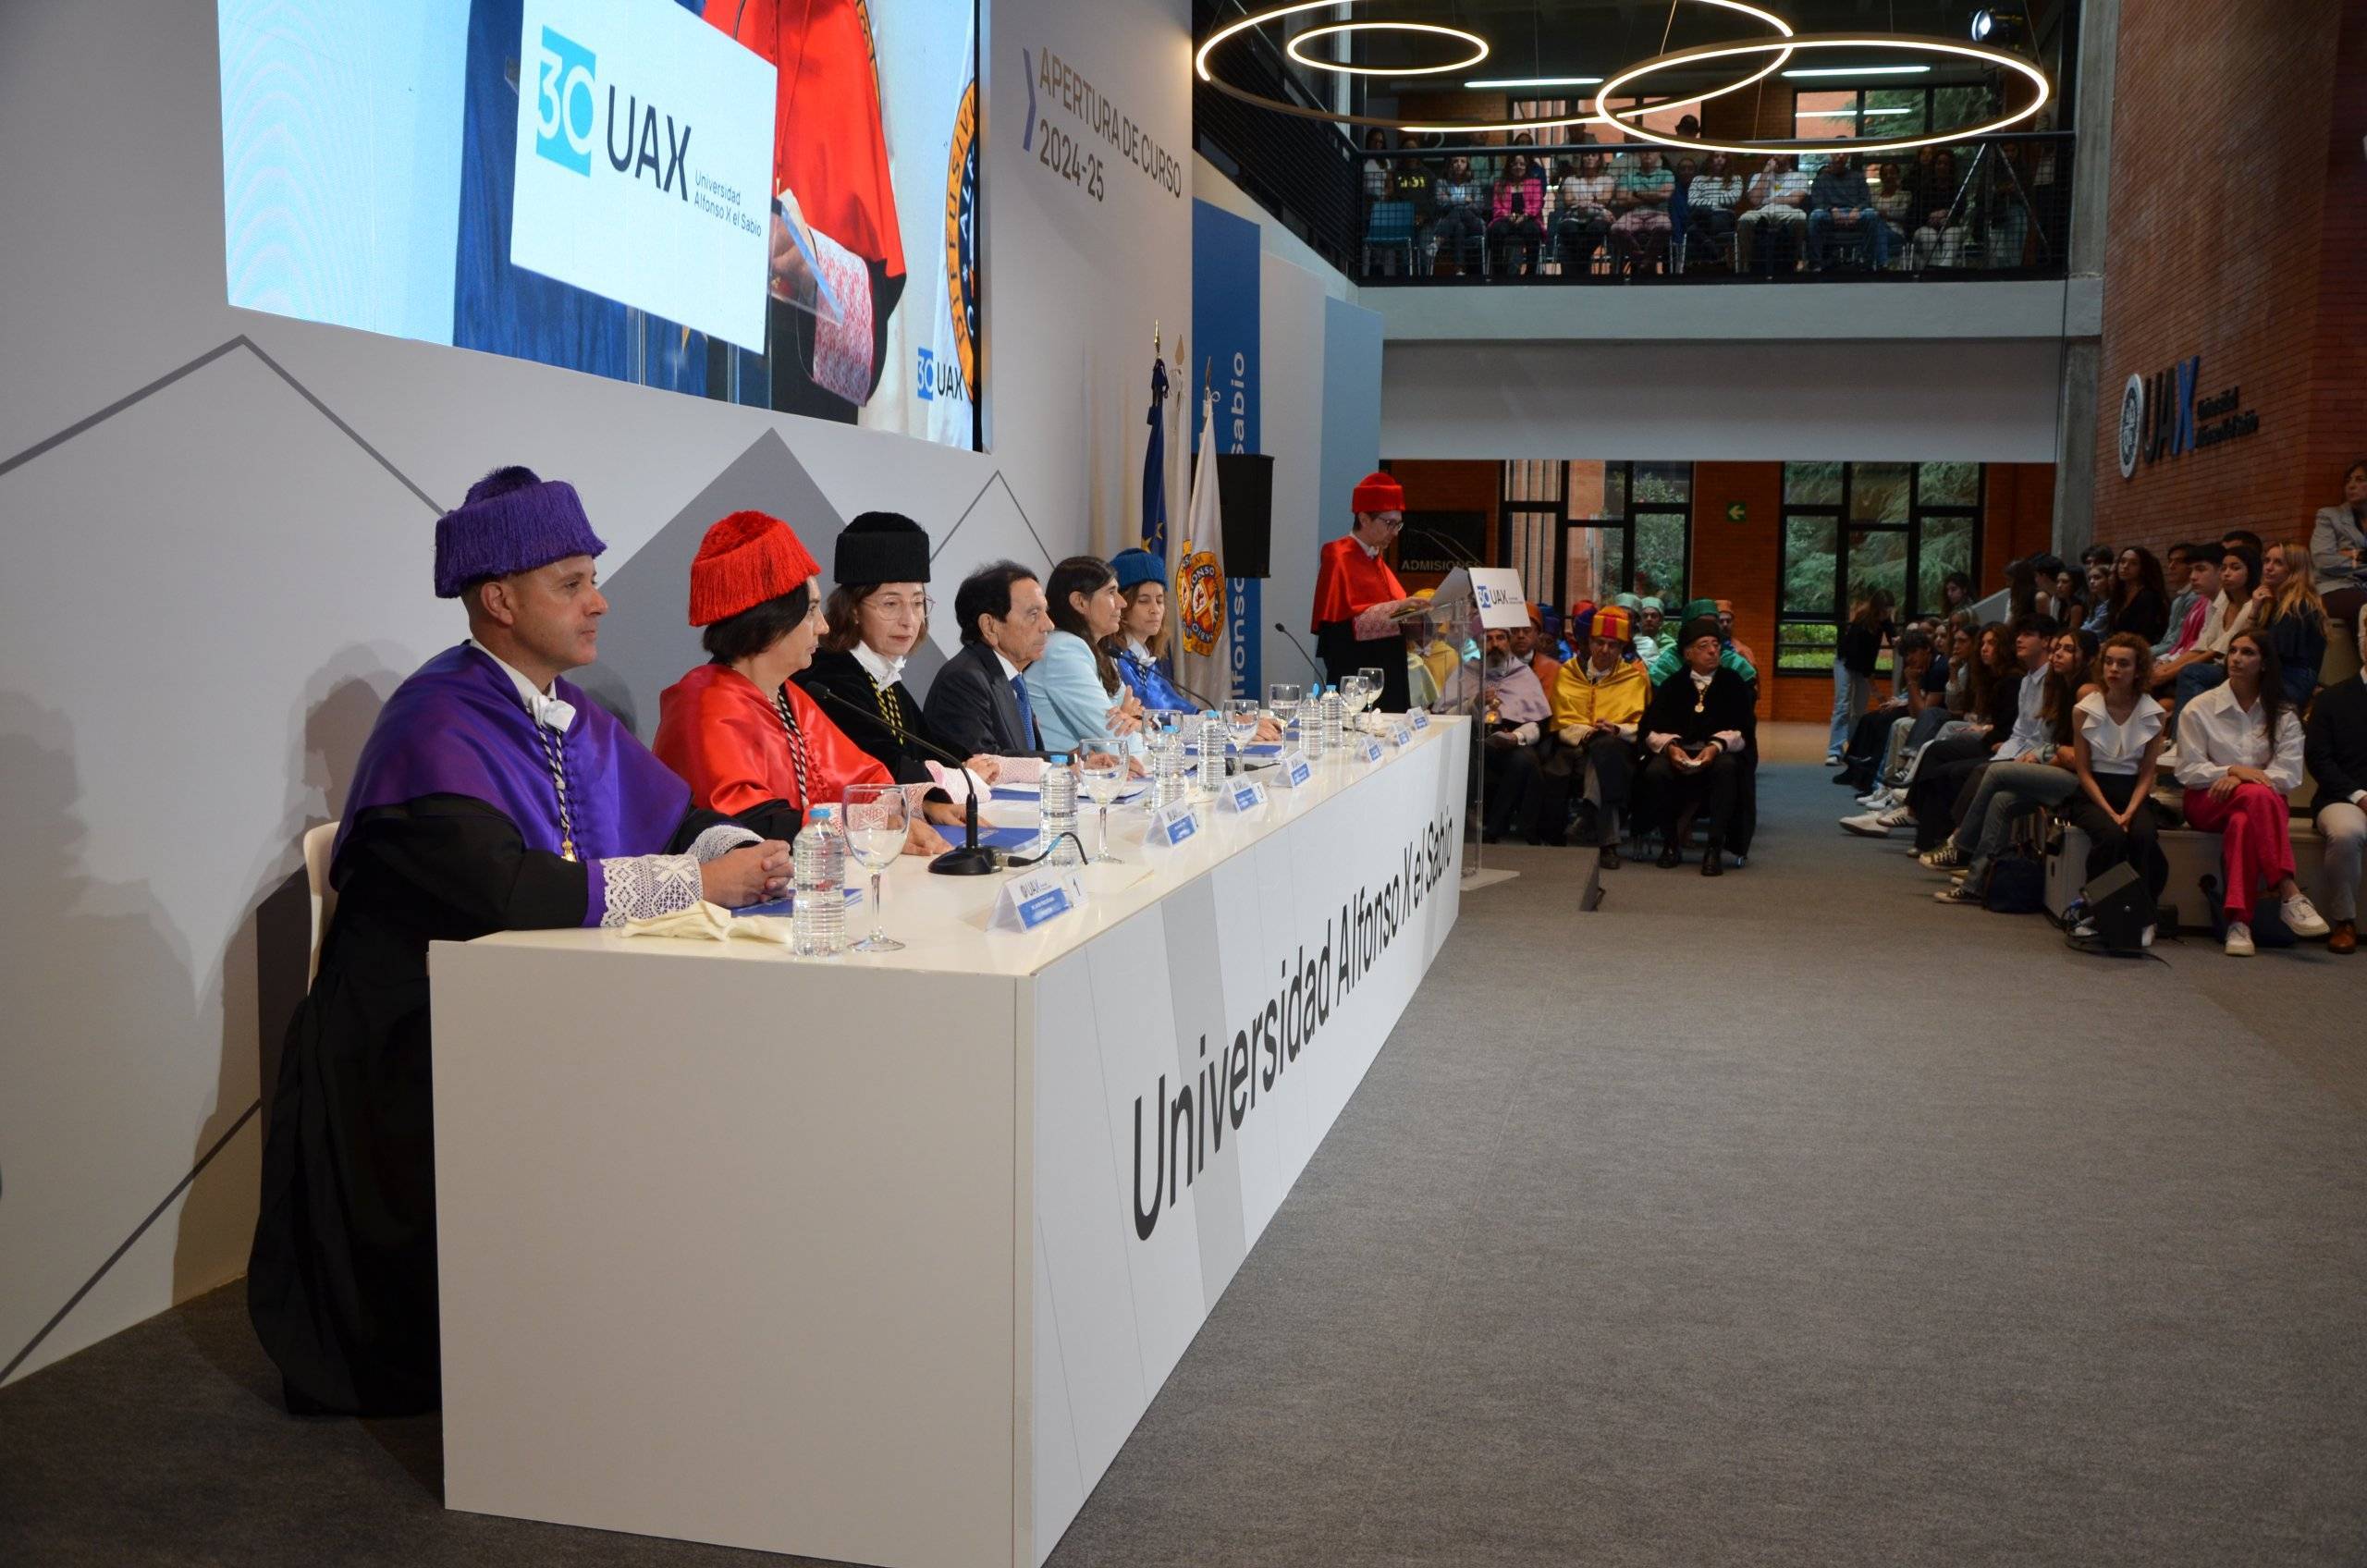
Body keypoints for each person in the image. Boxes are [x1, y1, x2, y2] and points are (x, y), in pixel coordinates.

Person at [248, 467, 790, 1417]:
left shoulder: (565, 709)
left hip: (534, 1013)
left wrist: (745, 849)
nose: (600, 601)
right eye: (573, 582)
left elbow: (675, 818)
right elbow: (504, 890)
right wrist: (697, 883)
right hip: (411, 1043)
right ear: (499, 599)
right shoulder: (437, 718)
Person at [654, 511, 954, 853]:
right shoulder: (703, 705)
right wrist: (864, 825)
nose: (824, 626)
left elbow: (863, 780)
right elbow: (750, 824)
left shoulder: (789, 697)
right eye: (811, 610)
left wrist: (909, 807)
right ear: (769, 622)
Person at [705, 0, 907, 423]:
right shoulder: (726, 12)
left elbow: (869, 291)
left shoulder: (835, 31)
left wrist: (812, 259)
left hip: (802, 381)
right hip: (718, 346)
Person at [793, 511, 1006, 790]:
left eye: (917, 603)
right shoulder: (830, 677)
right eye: (891, 604)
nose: (909, 620)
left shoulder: (883, 675)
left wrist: (996, 766)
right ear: (853, 610)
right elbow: (883, 769)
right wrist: (962, 775)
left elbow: (934, 748)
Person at [2174, 630, 2331, 955]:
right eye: (2232, 651)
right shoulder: (2199, 708)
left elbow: (2289, 775)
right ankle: (2286, 888)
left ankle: (2238, 923)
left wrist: (2244, 779)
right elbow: (2187, 771)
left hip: (2260, 805)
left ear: (2264, 663)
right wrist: (2230, 771)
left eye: (2248, 653)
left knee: (2243, 823)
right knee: (2258, 797)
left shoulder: (2284, 713)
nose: (2236, 659)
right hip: (2206, 801)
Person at [1927, 629, 2086, 900]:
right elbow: (2049, 741)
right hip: (2054, 769)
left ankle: (1961, 844)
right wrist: (2049, 753)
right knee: (2001, 799)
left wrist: (2044, 754)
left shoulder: (2085, 691)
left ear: (2086, 658)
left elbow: (2079, 755)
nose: (2058, 654)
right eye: (2057, 647)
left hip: (2081, 780)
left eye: (2068, 650)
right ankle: (1975, 884)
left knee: (1996, 772)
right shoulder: (2060, 685)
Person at [2061, 633, 2170, 936]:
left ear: (2138, 670)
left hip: (2134, 792)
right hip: (2094, 793)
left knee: (2144, 836)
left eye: (2123, 664)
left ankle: (2143, 914)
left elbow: (2147, 772)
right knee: (2111, 837)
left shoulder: (2154, 713)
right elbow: (2083, 770)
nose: (2114, 669)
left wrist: (2130, 812)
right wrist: (2111, 813)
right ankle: (2096, 911)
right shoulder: (2084, 710)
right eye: (2109, 662)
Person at [1640, 616, 1755, 875]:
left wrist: (1715, 747)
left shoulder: (1733, 684)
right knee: (1655, 772)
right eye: (1704, 646)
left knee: (1727, 769)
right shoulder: (1673, 685)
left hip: (1719, 752)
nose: (1713, 650)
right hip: (1678, 751)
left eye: (1716, 644)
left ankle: (1713, 848)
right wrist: (1671, 748)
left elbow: (1744, 730)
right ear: (1688, 653)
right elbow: (1650, 729)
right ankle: (1670, 843)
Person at [1311, 472, 1424, 711]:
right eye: (1389, 523)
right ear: (1363, 519)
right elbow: (1340, 624)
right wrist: (1399, 608)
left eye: (1399, 524)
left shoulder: (1377, 558)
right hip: (1356, 666)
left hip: (1389, 666)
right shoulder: (1338, 554)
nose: (1395, 532)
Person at [1550, 604, 1650, 867]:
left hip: (1618, 750)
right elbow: (1561, 721)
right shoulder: (1568, 673)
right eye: (1600, 643)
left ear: (1622, 649)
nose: (1605, 650)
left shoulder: (1633, 679)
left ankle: (1592, 818)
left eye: (1613, 645)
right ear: (1589, 643)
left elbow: (1642, 726)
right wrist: (1588, 733)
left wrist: (1616, 729)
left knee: (1605, 750)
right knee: (1601, 751)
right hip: (1575, 749)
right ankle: (1606, 842)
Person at [926, 560, 1053, 758]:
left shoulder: (1009, 677)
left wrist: (1075, 760)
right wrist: (1065, 763)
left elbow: (1020, 756)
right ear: (990, 626)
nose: (1049, 625)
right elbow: (988, 764)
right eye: (1033, 614)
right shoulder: (963, 681)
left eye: (1046, 611)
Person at [1028, 556, 1147, 754]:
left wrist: (1134, 722)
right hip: (1059, 778)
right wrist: (1133, 725)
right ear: (1080, 602)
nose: (1122, 603)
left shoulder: (1100, 650)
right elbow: (1114, 740)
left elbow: (1127, 725)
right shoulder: (1063, 650)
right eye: (1111, 593)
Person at [2302, 610, 2367, 954]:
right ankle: (2345, 921)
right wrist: (2359, 796)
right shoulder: (2332, 699)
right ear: (2363, 644)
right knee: (2346, 833)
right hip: (2342, 796)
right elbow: (2318, 759)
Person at [1480, 629, 1553, 842]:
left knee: (1523, 760)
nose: (1494, 644)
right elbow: (1448, 712)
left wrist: (1516, 737)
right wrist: (1475, 703)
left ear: (1508, 641)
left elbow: (1538, 721)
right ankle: (1526, 829)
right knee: (1529, 762)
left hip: (1511, 739)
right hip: (1474, 738)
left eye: (1500, 638)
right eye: (1488, 639)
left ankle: (1494, 828)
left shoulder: (1523, 673)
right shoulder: (1468, 672)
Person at [2174, 545, 2262, 704]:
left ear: (2251, 571)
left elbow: (2218, 651)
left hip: (2232, 667)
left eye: (2235, 568)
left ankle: (2196, 725)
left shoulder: (2251, 605)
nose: (2227, 574)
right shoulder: (2223, 602)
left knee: (2190, 673)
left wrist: (2169, 673)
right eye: (2224, 568)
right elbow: (2203, 645)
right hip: (2215, 665)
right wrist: (2166, 669)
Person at [2255, 541, 2329, 704]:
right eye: (2266, 561)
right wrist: (2254, 611)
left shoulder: (2300, 605)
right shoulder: (2270, 602)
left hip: (2293, 677)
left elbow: (2273, 652)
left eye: (2278, 563)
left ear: (2295, 569)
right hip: (2275, 672)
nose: (2268, 567)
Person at [1827, 587, 1893, 766]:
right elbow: (1862, 659)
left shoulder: (1884, 620)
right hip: (1846, 661)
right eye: (1884, 609)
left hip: (1862, 665)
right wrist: (1876, 690)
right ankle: (1834, 751)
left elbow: (1893, 637)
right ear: (1876, 608)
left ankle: (1854, 749)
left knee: (1860, 709)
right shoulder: (1862, 622)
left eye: (1889, 610)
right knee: (1843, 704)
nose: (1887, 614)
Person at [2308, 458, 2367, 634]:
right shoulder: (2329, 516)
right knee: (2363, 608)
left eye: (2360, 480)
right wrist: (2362, 558)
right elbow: (2324, 560)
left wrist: (2351, 554)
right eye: (2348, 481)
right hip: (2336, 586)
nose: (2351, 485)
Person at [1807, 145, 1890, 271]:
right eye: (1838, 152)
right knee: (1815, 216)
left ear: (1848, 156)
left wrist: (1857, 210)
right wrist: (1832, 209)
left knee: (1872, 214)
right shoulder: (1820, 179)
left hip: (1855, 214)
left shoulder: (1858, 177)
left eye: (1844, 153)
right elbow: (1817, 202)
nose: (1840, 156)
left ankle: (1868, 262)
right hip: (1830, 216)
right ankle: (1816, 263)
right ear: (1831, 154)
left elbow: (1866, 200)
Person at [1648, 596, 1757, 686]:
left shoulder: (1733, 662)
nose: (1707, 630)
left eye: (1713, 624)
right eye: (1701, 624)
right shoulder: (1668, 663)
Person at [1737, 154, 1809, 274]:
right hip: (1762, 210)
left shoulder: (1800, 176)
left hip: (1788, 210)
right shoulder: (1758, 176)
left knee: (1800, 217)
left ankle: (1796, 258)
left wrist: (1774, 199)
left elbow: (1796, 200)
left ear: (1789, 156)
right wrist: (1766, 172)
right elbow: (1755, 201)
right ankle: (1749, 262)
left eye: (1779, 153)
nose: (1775, 156)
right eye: (1773, 153)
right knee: (1745, 219)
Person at [1608, 149, 1675, 274]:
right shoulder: (1628, 175)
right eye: (1644, 151)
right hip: (1633, 214)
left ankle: (1645, 259)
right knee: (1616, 229)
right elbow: (1622, 200)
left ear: (1659, 154)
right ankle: (1640, 257)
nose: (1648, 154)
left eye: (1652, 151)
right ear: (1639, 154)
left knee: (1665, 227)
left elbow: (1664, 195)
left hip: (1659, 214)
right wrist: (1652, 198)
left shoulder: (1667, 174)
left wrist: (1636, 194)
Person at [1553, 150, 1616, 274]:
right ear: (1582, 159)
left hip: (1598, 217)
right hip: (1574, 216)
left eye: (1593, 155)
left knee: (1596, 228)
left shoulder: (1607, 179)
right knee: (1568, 228)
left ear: (1599, 159)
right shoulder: (1571, 180)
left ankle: (1581, 266)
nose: (1590, 158)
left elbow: (1605, 199)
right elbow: (1568, 201)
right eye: (1586, 155)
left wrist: (1585, 201)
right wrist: (1592, 200)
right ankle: (1583, 267)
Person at [1489, 152, 1547, 276]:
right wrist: (1507, 216)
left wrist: (1525, 215)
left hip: (1528, 219)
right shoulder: (1500, 184)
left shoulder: (1534, 183)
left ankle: (1530, 272)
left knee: (1532, 230)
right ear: (1510, 166)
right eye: (1515, 164)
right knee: (1497, 230)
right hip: (1506, 219)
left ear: (1526, 166)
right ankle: (1498, 272)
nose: (1518, 167)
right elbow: (1496, 206)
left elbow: (1537, 204)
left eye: (1522, 164)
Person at [1681, 151, 1742, 268]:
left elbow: (1733, 198)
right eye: (1716, 156)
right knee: (1702, 212)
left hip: (1723, 217)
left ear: (1727, 160)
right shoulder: (1698, 179)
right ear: (1710, 159)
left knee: (1693, 226)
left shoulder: (1736, 179)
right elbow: (1692, 201)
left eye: (1723, 157)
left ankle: (1704, 243)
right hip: (1702, 216)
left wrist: (1707, 202)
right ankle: (1713, 250)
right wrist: (1714, 204)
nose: (1719, 159)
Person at [1430, 155, 1488, 273]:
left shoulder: (1474, 183)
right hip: (1452, 226)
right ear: (1450, 165)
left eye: (1463, 161)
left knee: (1458, 210)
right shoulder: (1441, 183)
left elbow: (1479, 208)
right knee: (1459, 227)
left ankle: (1438, 242)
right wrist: (1464, 200)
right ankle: (1459, 269)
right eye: (1455, 161)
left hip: (1473, 224)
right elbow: (1440, 204)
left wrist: (1452, 200)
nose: (1459, 164)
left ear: (1467, 165)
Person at [2103, 546, 2168, 643]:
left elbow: (2144, 635)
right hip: (2116, 646)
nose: (2125, 566)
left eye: (2133, 563)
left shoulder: (2148, 597)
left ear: (2142, 568)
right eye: (2122, 561)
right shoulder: (2118, 595)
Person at [2151, 543, 2201, 660]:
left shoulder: (2195, 598)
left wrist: (2143, 653)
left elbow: (2177, 642)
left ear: (2192, 565)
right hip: (2166, 653)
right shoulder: (2178, 601)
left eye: (2178, 561)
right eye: (2170, 561)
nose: (2171, 566)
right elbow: (2168, 639)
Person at [1631, 597, 1667, 665]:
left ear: (1661, 620)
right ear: (1638, 620)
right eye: (1645, 615)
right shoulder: (1631, 642)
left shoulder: (1670, 645)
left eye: (1653, 616)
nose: (1649, 619)